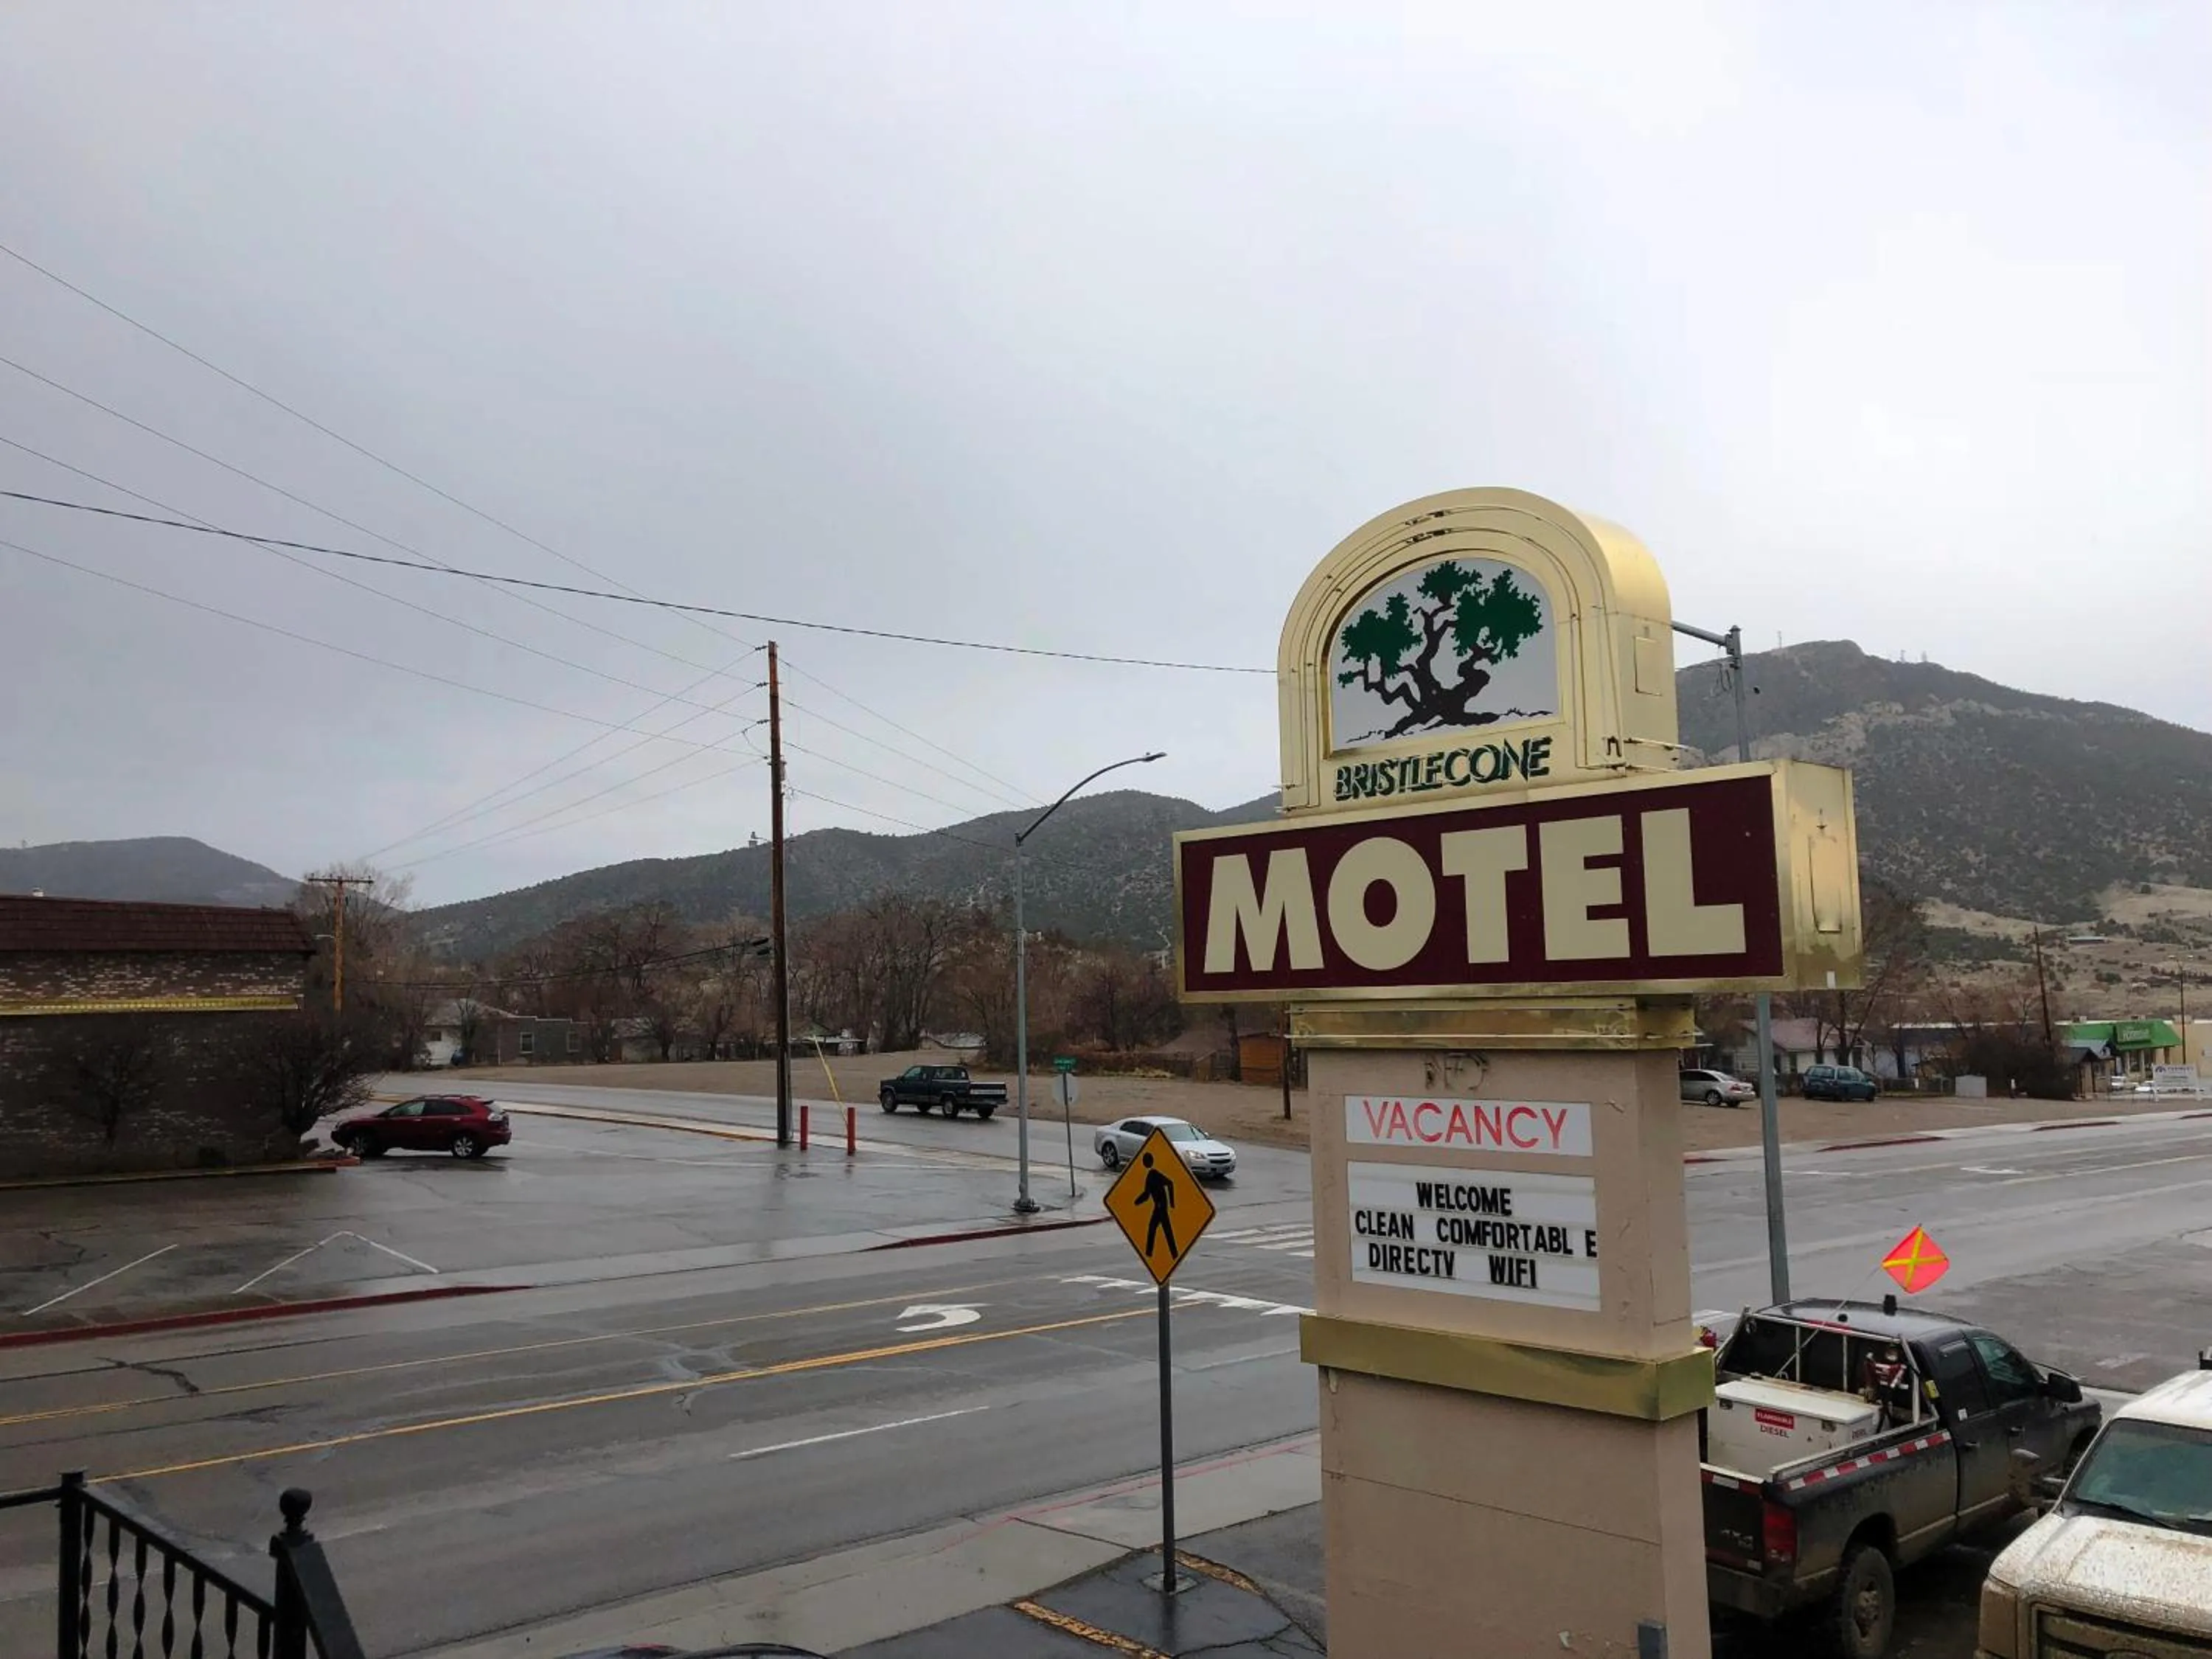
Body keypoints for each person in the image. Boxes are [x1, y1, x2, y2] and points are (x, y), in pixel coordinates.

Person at [1138, 1151, 1178, 1262]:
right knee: (1157, 1230)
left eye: (1145, 1161)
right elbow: (1146, 1195)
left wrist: (1172, 1203)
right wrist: (1135, 1202)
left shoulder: (1154, 1174)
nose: (1144, 1163)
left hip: (1161, 1207)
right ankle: (1151, 1254)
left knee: (1164, 1231)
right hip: (1158, 1207)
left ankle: (1171, 1254)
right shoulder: (1149, 1176)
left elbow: (1170, 1183)